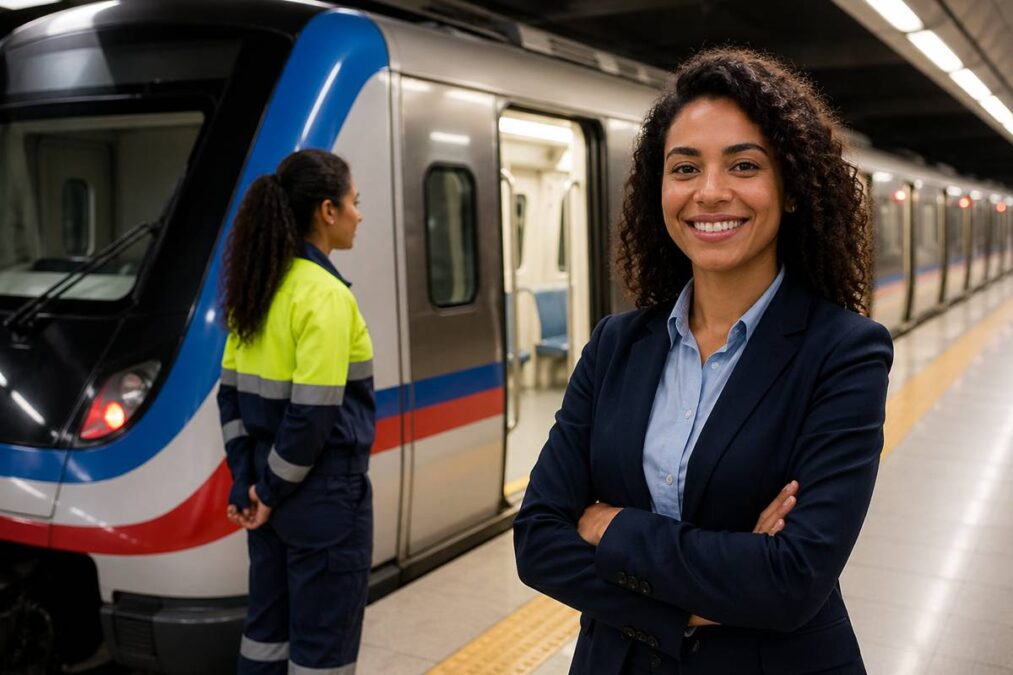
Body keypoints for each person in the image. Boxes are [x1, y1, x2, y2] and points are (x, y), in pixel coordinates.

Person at [514, 47, 892, 674]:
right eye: (684, 168)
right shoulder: (616, 344)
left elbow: (792, 581)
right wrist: (711, 586)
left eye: (744, 165)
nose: (710, 193)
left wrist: (607, 526)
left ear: (792, 188)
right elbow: (537, 543)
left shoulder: (845, 352)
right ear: (659, 189)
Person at [217, 149, 374, 675]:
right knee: (322, 649)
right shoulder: (325, 295)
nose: (359, 214)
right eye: (355, 202)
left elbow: (230, 399)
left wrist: (250, 485)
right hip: (322, 497)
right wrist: (274, 490)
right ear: (327, 211)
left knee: (265, 636)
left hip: (265, 491)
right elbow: (313, 415)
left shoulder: (258, 289)